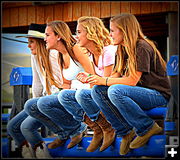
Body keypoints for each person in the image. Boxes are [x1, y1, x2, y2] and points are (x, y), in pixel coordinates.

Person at [86, 13, 171, 155]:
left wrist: (105, 81)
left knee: (115, 91)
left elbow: (132, 80)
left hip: (158, 96)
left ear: (124, 30)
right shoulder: (122, 48)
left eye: (112, 30)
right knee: (98, 90)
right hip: (138, 94)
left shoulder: (142, 46)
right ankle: (125, 132)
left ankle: (147, 127)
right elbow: (116, 76)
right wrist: (94, 79)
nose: (110, 34)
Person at [25, 20, 95, 151]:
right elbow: (65, 84)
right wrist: (56, 98)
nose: (44, 39)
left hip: (83, 95)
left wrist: (90, 103)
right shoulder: (61, 55)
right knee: (31, 105)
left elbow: (93, 76)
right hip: (68, 95)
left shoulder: (76, 49)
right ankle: (65, 133)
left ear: (58, 36)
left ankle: (77, 130)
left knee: (43, 103)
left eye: (47, 35)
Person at [7, 23, 71, 158]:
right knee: (12, 126)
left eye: (31, 42)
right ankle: (31, 154)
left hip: (52, 103)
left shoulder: (53, 55)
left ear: (41, 42)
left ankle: (42, 154)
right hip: (40, 102)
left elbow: (61, 84)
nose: (28, 46)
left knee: (26, 127)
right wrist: (33, 106)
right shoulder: (35, 56)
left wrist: (41, 103)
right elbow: (37, 83)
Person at [58, 16, 117, 152]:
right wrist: (87, 77)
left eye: (79, 32)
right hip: (100, 93)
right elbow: (97, 79)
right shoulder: (91, 55)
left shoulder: (108, 51)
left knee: (81, 94)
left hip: (110, 94)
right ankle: (97, 127)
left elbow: (106, 84)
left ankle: (108, 127)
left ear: (90, 33)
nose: (76, 36)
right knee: (64, 96)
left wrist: (91, 78)